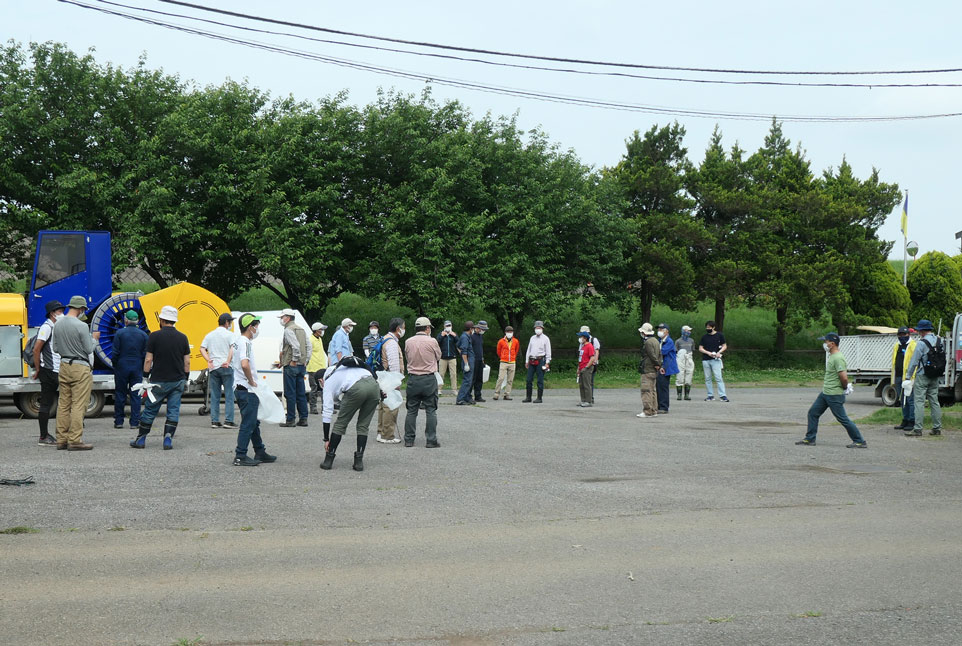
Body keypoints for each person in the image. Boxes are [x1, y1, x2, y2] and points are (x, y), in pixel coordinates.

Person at [129, 305, 190, 451]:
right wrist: (185, 378)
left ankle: (141, 439)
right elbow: (187, 361)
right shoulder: (183, 337)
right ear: (174, 321)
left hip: (158, 381)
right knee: (173, 410)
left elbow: (148, 359)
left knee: (150, 410)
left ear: (162, 320)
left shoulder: (154, 336)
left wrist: (145, 377)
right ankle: (168, 438)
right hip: (177, 380)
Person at [795, 333, 867, 448]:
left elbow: (843, 377)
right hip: (826, 393)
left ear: (832, 344)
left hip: (834, 394)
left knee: (843, 419)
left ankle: (859, 441)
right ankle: (810, 439)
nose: (825, 344)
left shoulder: (838, 358)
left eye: (826, 341)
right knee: (813, 413)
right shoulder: (832, 356)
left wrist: (845, 388)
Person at [230, 313, 277, 467]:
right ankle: (240, 455)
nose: (257, 328)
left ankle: (260, 451)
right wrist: (251, 381)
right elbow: (245, 364)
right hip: (247, 388)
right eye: (256, 325)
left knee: (253, 422)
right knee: (249, 423)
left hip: (239, 387)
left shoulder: (238, 341)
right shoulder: (246, 343)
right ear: (250, 327)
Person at [50, 295, 95, 451]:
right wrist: (94, 339)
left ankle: (61, 439)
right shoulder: (82, 326)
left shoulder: (58, 324)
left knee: (63, 404)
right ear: (81, 308)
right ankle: (74, 440)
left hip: (64, 365)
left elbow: (55, 349)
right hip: (80, 366)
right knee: (78, 404)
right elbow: (89, 349)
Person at [320, 358, 381, 471]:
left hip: (356, 388)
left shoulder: (328, 380)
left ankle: (329, 460)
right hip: (374, 386)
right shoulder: (343, 369)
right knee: (363, 425)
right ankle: (358, 462)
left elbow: (327, 412)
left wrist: (326, 439)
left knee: (340, 424)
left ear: (320, 380)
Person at [404, 316, 443, 447]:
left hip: (413, 378)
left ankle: (409, 439)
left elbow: (407, 357)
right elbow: (438, 356)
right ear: (427, 328)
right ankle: (431, 440)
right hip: (428, 378)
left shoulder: (408, 342)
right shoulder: (432, 341)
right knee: (431, 409)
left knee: (411, 410)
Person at [31, 299, 63, 446]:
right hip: (49, 370)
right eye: (59, 311)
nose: (62, 313)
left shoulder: (55, 326)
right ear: (52, 313)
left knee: (49, 403)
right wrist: (38, 369)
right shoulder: (47, 327)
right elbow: (36, 349)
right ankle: (44, 436)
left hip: (54, 369)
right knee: (47, 403)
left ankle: (46, 435)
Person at [904, 319, 943, 437]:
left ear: (921, 331)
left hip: (923, 374)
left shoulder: (921, 343)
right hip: (935, 374)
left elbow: (914, 361)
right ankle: (937, 428)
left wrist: (908, 376)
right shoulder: (940, 341)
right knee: (934, 401)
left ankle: (918, 429)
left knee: (919, 402)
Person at [112, 310, 148, 430]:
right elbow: (145, 354)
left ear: (126, 320)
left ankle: (119, 421)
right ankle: (134, 422)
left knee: (120, 394)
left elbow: (115, 353)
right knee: (136, 395)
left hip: (122, 366)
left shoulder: (119, 333)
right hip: (137, 366)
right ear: (137, 321)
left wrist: (115, 365)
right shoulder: (143, 335)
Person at [199, 312, 237, 430]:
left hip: (214, 368)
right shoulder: (230, 335)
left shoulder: (210, 335)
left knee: (215, 395)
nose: (230, 324)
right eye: (230, 322)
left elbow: (202, 349)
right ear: (226, 322)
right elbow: (232, 348)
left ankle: (215, 421)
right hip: (226, 367)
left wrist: (208, 360)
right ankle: (228, 421)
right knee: (229, 395)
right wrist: (228, 360)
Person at [277, 308, 311, 428]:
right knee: (300, 393)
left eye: (282, 317)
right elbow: (308, 346)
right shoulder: (302, 329)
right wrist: (305, 360)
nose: (281, 319)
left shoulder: (288, 330)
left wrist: (293, 360)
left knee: (290, 393)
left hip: (291, 365)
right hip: (302, 365)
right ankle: (303, 418)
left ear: (288, 318)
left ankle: (290, 419)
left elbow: (295, 346)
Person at [376, 317, 405, 444]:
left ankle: (381, 431)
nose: (404, 330)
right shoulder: (392, 343)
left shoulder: (384, 339)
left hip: (383, 376)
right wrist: (396, 382)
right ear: (398, 329)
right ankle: (387, 435)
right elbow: (394, 365)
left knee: (383, 405)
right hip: (390, 377)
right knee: (391, 406)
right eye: (403, 327)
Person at [891, 326, 917, 431]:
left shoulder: (913, 345)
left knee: (910, 399)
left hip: (909, 377)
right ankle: (905, 419)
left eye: (904, 334)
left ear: (908, 334)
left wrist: (911, 377)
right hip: (898, 376)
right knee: (902, 399)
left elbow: (915, 362)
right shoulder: (897, 346)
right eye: (900, 334)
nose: (902, 336)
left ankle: (912, 420)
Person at [699, 320, 729, 402]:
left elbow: (724, 346)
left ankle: (722, 395)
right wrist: (708, 353)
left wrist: (719, 352)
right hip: (706, 360)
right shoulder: (704, 337)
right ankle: (710, 395)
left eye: (709, 327)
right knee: (708, 378)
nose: (708, 329)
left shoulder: (719, 335)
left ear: (713, 327)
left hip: (716, 360)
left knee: (718, 378)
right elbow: (700, 348)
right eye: (707, 327)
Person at [523, 321, 552, 403]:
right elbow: (529, 350)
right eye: (536, 328)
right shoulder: (532, 338)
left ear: (542, 329)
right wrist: (526, 361)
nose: (538, 329)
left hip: (540, 360)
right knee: (529, 379)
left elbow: (548, 352)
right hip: (531, 360)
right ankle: (528, 397)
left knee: (540, 380)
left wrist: (547, 362)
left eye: (539, 328)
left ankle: (539, 397)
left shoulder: (546, 339)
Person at [637, 323, 661, 419]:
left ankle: (647, 411)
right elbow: (659, 354)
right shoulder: (656, 341)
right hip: (654, 370)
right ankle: (654, 410)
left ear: (644, 332)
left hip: (648, 369)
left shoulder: (648, 342)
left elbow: (652, 355)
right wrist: (659, 365)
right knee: (653, 391)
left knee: (646, 390)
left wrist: (656, 364)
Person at [656, 323, 679, 414]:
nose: (659, 331)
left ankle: (664, 406)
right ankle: (658, 405)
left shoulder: (669, 341)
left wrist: (663, 367)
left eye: (661, 329)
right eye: (659, 329)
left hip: (666, 367)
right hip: (660, 366)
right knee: (658, 386)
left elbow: (662, 352)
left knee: (663, 387)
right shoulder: (659, 340)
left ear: (667, 331)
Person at [307, 322, 329, 415]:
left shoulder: (319, 339)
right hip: (313, 367)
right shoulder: (310, 340)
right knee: (314, 388)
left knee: (324, 388)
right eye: (321, 329)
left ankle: (325, 407)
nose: (323, 331)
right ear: (316, 330)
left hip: (321, 367)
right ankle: (313, 407)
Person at [493, 326, 520, 401]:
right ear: (505, 332)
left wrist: (513, 357)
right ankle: (496, 393)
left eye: (511, 332)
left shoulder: (515, 341)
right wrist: (502, 357)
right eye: (508, 332)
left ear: (513, 332)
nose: (509, 333)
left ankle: (507, 394)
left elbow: (516, 350)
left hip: (512, 362)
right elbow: (498, 351)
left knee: (510, 379)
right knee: (500, 378)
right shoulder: (501, 341)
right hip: (503, 362)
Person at [579, 326, 601, 404]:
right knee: (583, 383)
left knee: (588, 382)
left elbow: (596, 352)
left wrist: (592, 363)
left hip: (589, 364)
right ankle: (584, 399)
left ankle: (589, 399)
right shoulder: (582, 344)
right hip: (583, 365)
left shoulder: (593, 341)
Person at [437, 320, 459, 396]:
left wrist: (454, 335)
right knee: (441, 374)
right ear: (444, 326)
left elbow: (458, 342)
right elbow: (437, 342)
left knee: (453, 374)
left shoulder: (454, 334)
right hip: (443, 357)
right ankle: (439, 389)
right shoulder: (440, 334)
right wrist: (442, 336)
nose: (448, 327)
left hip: (452, 357)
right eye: (447, 325)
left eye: (449, 325)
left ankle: (454, 390)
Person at [456, 321, 476, 405]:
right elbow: (464, 351)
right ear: (470, 329)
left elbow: (457, 345)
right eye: (473, 328)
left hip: (469, 360)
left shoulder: (466, 336)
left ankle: (467, 397)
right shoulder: (465, 337)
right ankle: (460, 399)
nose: (473, 330)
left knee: (469, 381)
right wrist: (466, 363)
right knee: (467, 381)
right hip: (468, 361)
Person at [674, 325, 695, 401]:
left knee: (689, 375)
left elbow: (692, 350)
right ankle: (679, 394)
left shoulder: (691, 340)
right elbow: (676, 351)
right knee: (680, 375)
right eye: (687, 330)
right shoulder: (678, 341)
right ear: (683, 331)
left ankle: (687, 394)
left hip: (689, 358)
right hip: (680, 359)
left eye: (689, 331)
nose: (689, 332)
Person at [576, 331, 597, 408]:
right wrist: (579, 368)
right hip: (582, 367)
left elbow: (592, 358)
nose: (580, 338)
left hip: (587, 368)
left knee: (587, 384)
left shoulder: (589, 346)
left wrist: (586, 367)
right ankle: (583, 400)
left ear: (585, 338)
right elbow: (581, 358)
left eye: (581, 337)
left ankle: (588, 401)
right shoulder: (583, 346)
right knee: (581, 385)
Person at [471, 320, 488, 402]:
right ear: (477, 328)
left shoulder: (480, 337)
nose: (483, 331)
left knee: (479, 379)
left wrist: (482, 358)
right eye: (482, 329)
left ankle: (478, 396)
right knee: (472, 379)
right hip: (473, 360)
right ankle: (469, 395)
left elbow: (480, 348)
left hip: (480, 360)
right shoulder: (472, 336)